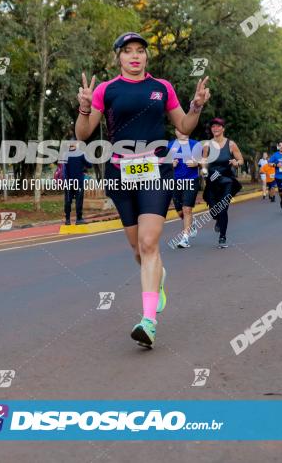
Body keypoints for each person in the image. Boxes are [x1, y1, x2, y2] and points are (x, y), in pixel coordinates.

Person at [76, 31, 209, 349]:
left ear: (146, 57)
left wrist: (196, 107)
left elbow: (184, 127)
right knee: (138, 250)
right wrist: (83, 108)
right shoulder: (106, 91)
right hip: (120, 173)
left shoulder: (161, 88)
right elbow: (84, 134)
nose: (135, 56)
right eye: (128, 51)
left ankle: (148, 321)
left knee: (150, 244)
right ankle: (158, 277)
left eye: (140, 51)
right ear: (119, 57)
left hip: (156, 171)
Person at [201, 118, 244, 248]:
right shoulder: (207, 145)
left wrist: (236, 163)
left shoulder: (230, 144)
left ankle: (222, 237)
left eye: (218, 126)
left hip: (227, 181)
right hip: (212, 181)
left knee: (223, 208)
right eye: (213, 126)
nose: (215, 128)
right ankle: (218, 219)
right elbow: (204, 159)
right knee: (215, 211)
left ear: (223, 129)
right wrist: (203, 168)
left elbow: (241, 159)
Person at [168, 128, 201, 248]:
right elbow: (164, 163)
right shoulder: (170, 145)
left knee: (187, 209)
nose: (181, 132)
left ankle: (185, 239)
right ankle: (192, 223)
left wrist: (197, 163)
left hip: (191, 180)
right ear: (175, 131)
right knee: (180, 211)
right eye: (178, 130)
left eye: (183, 130)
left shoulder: (196, 144)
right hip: (175, 181)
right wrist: (170, 164)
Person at [61, 139, 90, 225]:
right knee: (79, 200)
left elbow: (64, 169)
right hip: (79, 182)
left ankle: (67, 220)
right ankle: (79, 219)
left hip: (68, 181)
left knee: (68, 200)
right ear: (76, 144)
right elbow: (89, 165)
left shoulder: (65, 155)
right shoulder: (81, 154)